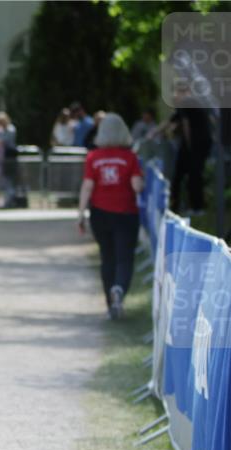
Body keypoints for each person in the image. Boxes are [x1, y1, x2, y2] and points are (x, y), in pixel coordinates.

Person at [77, 113, 145, 320]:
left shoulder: (93, 157)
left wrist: (81, 214)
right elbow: (136, 186)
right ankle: (119, 289)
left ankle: (110, 304)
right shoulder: (130, 157)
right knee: (124, 258)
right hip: (125, 213)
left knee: (107, 257)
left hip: (100, 213)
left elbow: (87, 186)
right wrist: (141, 181)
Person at [0, 111, 18, 208]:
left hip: (8, 158)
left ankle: (8, 201)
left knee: (8, 180)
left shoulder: (11, 129)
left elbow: (4, 141)